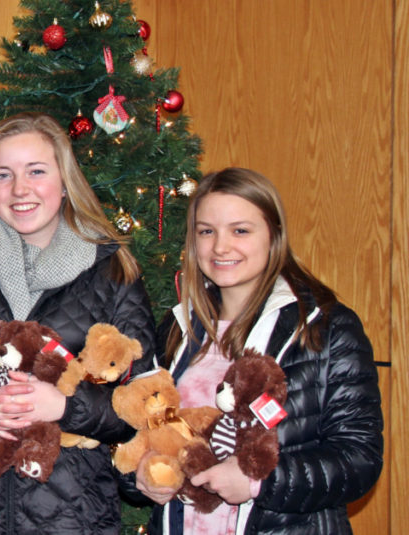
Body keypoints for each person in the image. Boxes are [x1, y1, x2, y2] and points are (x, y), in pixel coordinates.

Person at [0, 112, 156, 534]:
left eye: (36, 171)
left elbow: (145, 401)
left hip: (75, 518)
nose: (20, 189)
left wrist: (63, 406)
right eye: (3, 175)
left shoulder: (111, 269)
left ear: (65, 180)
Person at [138, 167, 383, 534]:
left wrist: (259, 481)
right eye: (207, 231)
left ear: (274, 235)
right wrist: (140, 474)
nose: (220, 247)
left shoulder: (325, 329)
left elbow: (359, 460)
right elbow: (142, 431)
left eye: (240, 230)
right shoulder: (177, 328)